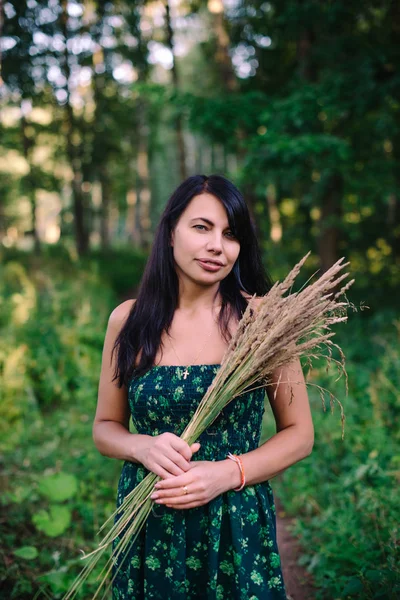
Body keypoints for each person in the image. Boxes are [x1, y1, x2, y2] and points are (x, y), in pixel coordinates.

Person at [93, 174, 314, 600]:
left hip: (235, 522)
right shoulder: (128, 320)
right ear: (170, 231)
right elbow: (105, 427)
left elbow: (300, 435)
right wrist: (141, 446)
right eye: (201, 227)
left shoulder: (263, 323)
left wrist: (226, 474)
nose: (217, 245)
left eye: (231, 234)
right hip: (149, 519)